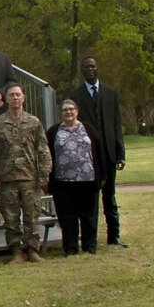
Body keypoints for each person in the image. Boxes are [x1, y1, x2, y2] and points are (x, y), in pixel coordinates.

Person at [0, 83, 50, 262]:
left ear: (24, 98)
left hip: (30, 177)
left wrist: (44, 173)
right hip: (7, 179)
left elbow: (43, 149)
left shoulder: (33, 122)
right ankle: (16, 251)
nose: (15, 98)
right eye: (11, 95)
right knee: (10, 217)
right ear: (6, 99)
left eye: (18, 95)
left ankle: (32, 249)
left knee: (32, 215)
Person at [71, 57, 127, 248]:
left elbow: (116, 124)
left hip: (109, 155)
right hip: (88, 156)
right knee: (91, 201)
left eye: (93, 66)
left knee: (110, 197)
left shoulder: (110, 93)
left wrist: (120, 153)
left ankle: (114, 236)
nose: (90, 69)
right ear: (82, 71)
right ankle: (90, 241)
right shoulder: (76, 96)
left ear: (98, 68)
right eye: (87, 67)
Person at [48, 98, 101, 255]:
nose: (68, 112)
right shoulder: (54, 131)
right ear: (61, 113)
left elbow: (98, 151)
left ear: (77, 111)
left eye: (71, 109)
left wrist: (102, 175)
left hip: (88, 180)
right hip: (63, 183)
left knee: (88, 216)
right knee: (67, 217)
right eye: (65, 110)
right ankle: (70, 248)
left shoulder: (88, 129)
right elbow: (48, 154)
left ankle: (89, 246)